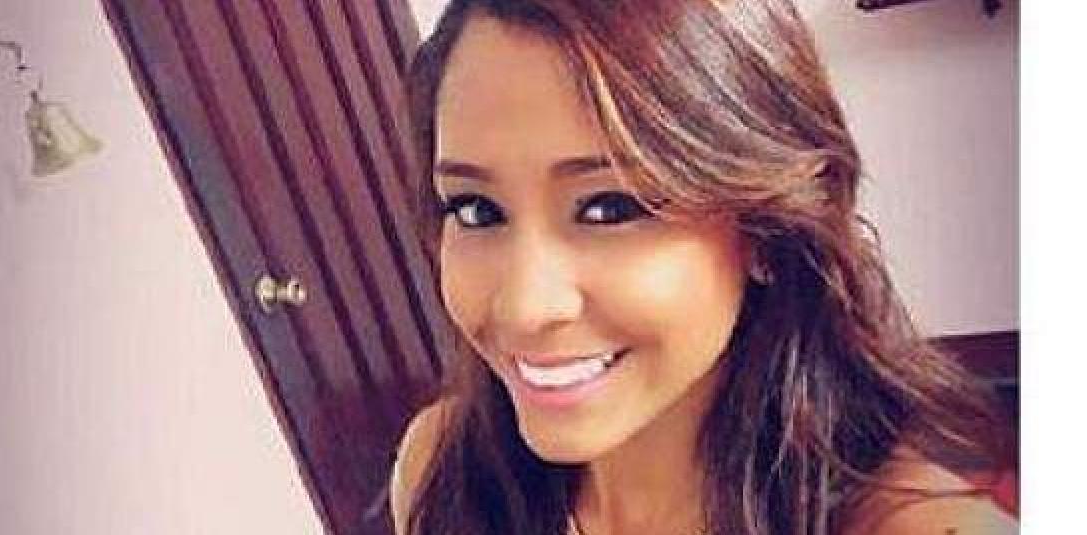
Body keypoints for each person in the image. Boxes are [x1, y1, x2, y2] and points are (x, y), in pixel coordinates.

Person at [390, 1, 1017, 533]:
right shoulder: (442, 470)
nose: (525, 307)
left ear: (767, 229)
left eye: (609, 208)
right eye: (476, 210)